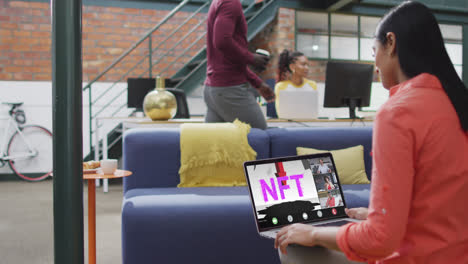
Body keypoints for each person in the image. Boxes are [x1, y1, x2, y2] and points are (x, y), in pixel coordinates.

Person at [274, 1, 468, 263]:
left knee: (293, 245)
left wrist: (314, 234)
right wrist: (386, 215)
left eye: (374, 50)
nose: (374, 63)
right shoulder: (455, 104)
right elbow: (443, 201)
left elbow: (379, 240)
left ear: (391, 43)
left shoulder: (397, 112)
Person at [203, 0, 275, 130]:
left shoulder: (219, 2)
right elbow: (222, 41)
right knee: (260, 139)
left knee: (217, 147)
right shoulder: (231, 2)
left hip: (214, 89)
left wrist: (257, 83)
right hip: (229, 90)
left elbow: (228, 59)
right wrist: (251, 58)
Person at [274, 49, 317, 115]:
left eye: (307, 65)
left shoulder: (312, 85)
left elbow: (314, 112)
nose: (307, 68)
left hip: (309, 123)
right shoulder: (281, 86)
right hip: (287, 124)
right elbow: (280, 113)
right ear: (292, 67)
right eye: (303, 64)